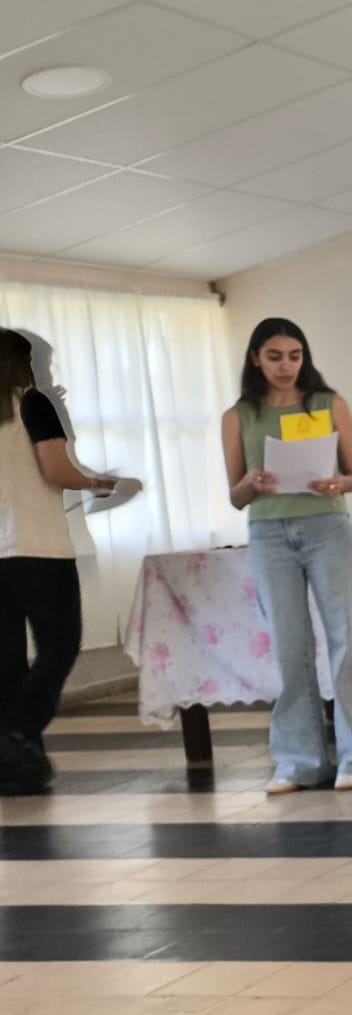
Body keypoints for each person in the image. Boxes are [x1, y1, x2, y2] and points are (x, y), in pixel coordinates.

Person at [221, 318, 352, 795]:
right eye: (275, 357)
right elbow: (236, 497)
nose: (286, 366)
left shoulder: (329, 404)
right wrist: (250, 482)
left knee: (346, 641)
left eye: (294, 356)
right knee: (289, 648)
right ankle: (297, 762)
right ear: (256, 359)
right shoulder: (238, 415)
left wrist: (337, 483)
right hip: (269, 535)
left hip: (327, 528)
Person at [0, 329, 137, 795]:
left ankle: (19, 768)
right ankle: (14, 734)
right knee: (60, 647)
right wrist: (109, 484)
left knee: (7, 663)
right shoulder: (33, 403)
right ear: (25, 363)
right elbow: (56, 470)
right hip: (38, 547)